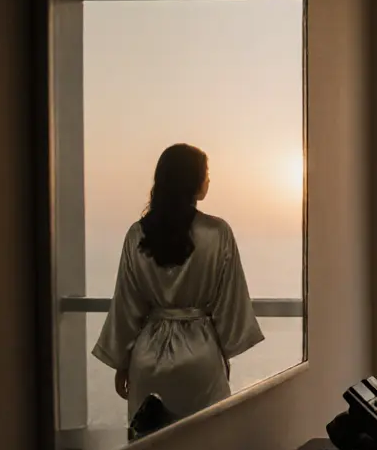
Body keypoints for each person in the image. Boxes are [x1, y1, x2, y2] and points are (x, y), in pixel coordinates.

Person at [93, 143, 264, 428]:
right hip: (200, 358)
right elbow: (230, 303)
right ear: (193, 181)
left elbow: (126, 305)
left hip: (147, 361)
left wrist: (123, 361)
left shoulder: (137, 234)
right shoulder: (217, 232)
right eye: (206, 173)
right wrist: (221, 353)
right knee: (206, 446)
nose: (209, 180)